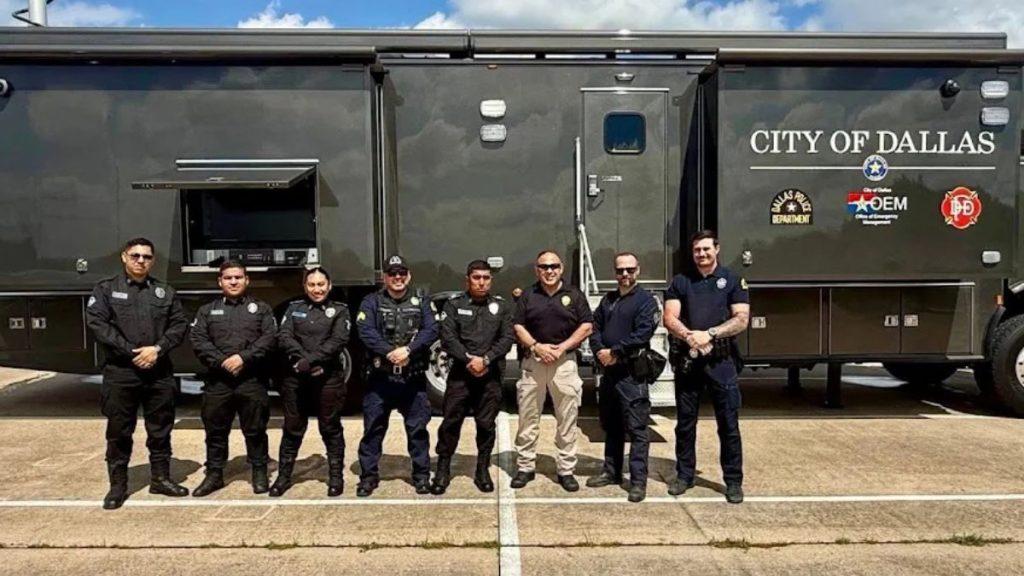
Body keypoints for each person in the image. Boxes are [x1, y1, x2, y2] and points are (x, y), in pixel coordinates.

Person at [86, 237, 190, 510]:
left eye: (146, 257)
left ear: (152, 260)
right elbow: (98, 325)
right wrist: (134, 351)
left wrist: (157, 349)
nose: (141, 261)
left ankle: (160, 479)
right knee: (119, 431)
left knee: (160, 429)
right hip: (121, 373)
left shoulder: (164, 292)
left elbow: (179, 325)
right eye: (135, 255)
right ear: (124, 257)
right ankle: (118, 486)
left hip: (158, 372)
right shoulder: (106, 289)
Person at [663, 230, 750, 504]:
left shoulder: (733, 280)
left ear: (717, 249)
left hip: (721, 362)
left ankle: (733, 481)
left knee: (728, 425)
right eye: (697, 250)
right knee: (685, 424)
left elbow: (742, 319)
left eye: (706, 249)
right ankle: (684, 475)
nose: (701, 254)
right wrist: (691, 337)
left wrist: (710, 334)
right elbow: (669, 317)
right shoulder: (681, 281)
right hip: (689, 360)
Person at [189, 260, 277, 497]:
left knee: (256, 429)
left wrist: (243, 358)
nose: (234, 281)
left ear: (247, 280)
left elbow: (269, 338)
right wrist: (222, 361)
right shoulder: (207, 311)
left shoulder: (261, 309)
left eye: (238, 277)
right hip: (218, 382)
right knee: (216, 431)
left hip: (251, 380)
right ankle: (215, 474)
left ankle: (259, 472)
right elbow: (198, 340)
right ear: (220, 282)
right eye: (228, 278)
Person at [355, 255, 438, 497]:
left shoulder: (422, 301)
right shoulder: (371, 302)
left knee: (418, 430)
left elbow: (432, 329)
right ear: (385, 277)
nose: (398, 278)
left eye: (402, 273)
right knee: (372, 430)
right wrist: (389, 352)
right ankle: (368, 477)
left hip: (412, 379)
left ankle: (422, 476)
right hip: (380, 379)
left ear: (409, 275)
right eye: (392, 273)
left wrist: (409, 350)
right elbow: (365, 330)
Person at [511, 250, 593, 491]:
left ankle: (566, 469)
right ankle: (525, 467)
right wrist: (537, 346)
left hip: (564, 363)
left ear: (562, 268)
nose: (549, 271)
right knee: (528, 418)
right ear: (537, 269)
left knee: (567, 419)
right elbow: (518, 326)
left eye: (554, 266)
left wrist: (561, 348)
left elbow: (587, 325)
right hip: (533, 362)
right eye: (544, 266)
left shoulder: (574, 295)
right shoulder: (528, 295)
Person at [430, 260, 515, 495]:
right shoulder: (453, 305)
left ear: (491, 280)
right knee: (450, 423)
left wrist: (485, 360)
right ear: (467, 279)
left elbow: (507, 338)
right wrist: (469, 360)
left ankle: (482, 469)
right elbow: (448, 337)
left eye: (486, 278)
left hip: (490, 376)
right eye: (476, 277)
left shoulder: (502, 306)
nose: (481, 282)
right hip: (460, 374)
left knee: (486, 425)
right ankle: (443, 469)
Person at [270, 267, 351, 497]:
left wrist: (311, 360)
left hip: (328, 379)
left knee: (330, 427)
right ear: (305, 287)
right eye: (312, 285)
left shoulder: (340, 310)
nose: (317, 289)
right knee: (293, 428)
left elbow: (338, 341)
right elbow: (284, 336)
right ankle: (283, 477)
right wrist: (302, 360)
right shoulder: (293, 309)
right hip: (296, 378)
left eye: (321, 284)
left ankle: (336, 476)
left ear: (330, 285)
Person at [586, 252, 659, 503]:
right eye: (620, 271)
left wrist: (615, 352)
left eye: (629, 270)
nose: (624, 275)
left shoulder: (646, 301)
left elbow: (643, 333)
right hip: (609, 373)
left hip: (632, 373)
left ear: (638, 270)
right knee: (612, 425)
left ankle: (638, 482)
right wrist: (599, 351)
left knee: (638, 429)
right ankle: (611, 471)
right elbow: (594, 328)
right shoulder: (608, 300)